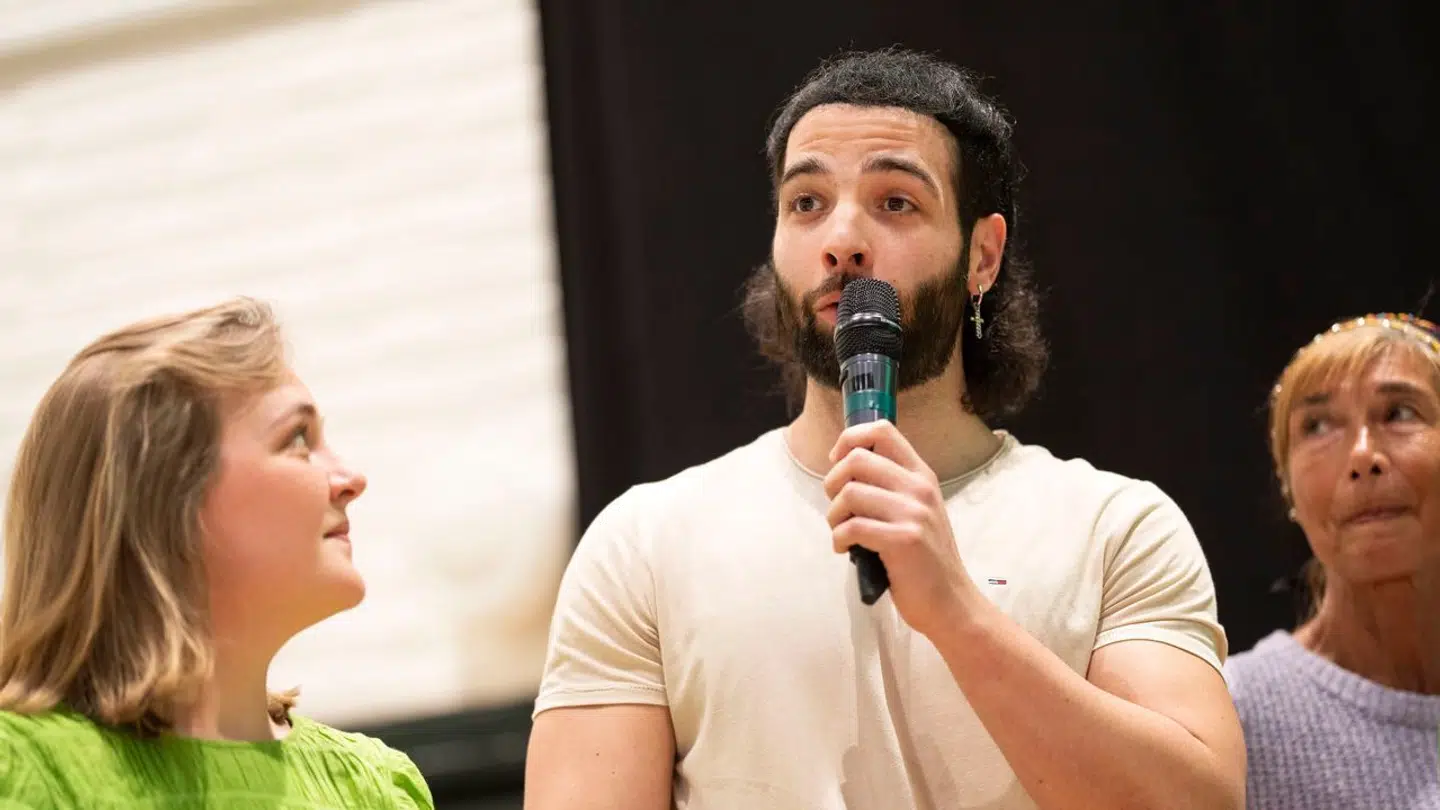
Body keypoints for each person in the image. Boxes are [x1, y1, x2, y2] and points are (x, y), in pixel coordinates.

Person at [525, 48, 1245, 810]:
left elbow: (1199, 802)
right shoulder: (644, 542)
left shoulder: (1116, 527)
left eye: (896, 201)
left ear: (983, 256)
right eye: (806, 203)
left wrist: (959, 615)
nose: (842, 239)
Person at [0, 298, 434, 809]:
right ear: (167, 499)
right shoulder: (24, 770)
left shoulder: (377, 788)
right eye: (297, 437)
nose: (350, 479)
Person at [1224, 312, 1440, 809]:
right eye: (1317, 426)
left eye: (1400, 413)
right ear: (1288, 486)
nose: (1363, 456)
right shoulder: (1233, 717)